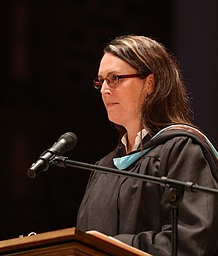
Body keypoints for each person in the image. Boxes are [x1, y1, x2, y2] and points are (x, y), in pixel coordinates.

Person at [76, 35, 218, 256]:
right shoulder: (104, 168)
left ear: (150, 83)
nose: (104, 90)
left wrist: (110, 246)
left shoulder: (181, 151)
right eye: (101, 81)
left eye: (115, 78)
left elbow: (189, 241)